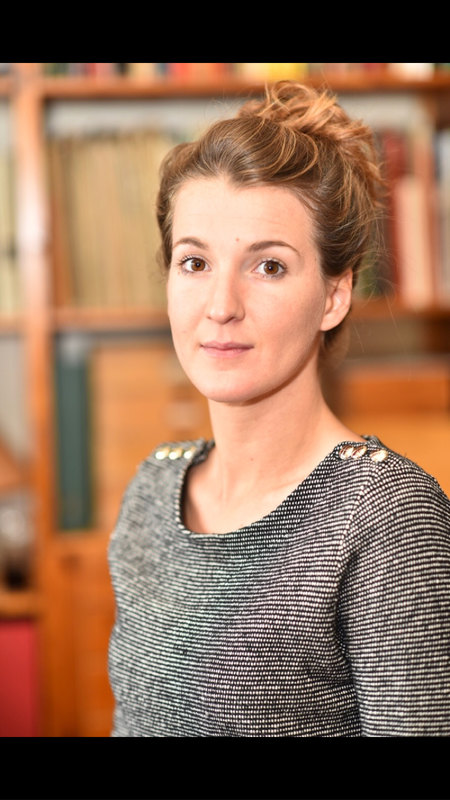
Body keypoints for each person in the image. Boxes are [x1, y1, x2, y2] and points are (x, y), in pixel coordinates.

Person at [108, 80, 450, 737]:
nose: (221, 306)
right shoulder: (150, 492)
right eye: (195, 262)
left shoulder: (386, 517)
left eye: (268, 267)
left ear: (334, 296)